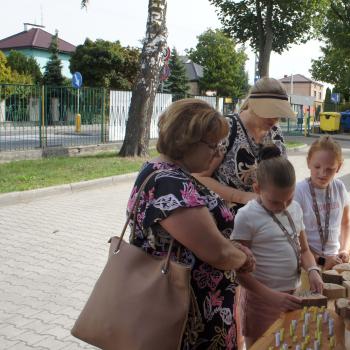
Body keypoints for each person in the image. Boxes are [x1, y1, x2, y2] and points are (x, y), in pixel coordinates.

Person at [127, 99, 256, 350]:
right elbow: (215, 252)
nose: (218, 152)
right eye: (213, 145)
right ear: (187, 142)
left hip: (183, 305)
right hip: (188, 317)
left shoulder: (159, 169)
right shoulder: (170, 183)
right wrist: (243, 260)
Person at [231, 145, 324, 347]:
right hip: (261, 301)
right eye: (275, 202)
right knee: (261, 345)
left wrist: (313, 270)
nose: (283, 207)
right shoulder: (246, 217)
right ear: (257, 189)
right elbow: (239, 272)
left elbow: (305, 250)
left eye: (288, 199)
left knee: (288, 342)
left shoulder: (295, 208)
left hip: (293, 294)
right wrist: (272, 297)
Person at [194, 77, 296, 212]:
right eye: (270, 111)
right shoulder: (226, 128)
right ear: (253, 104)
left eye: (279, 112)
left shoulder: (276, 133)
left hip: (265, 220)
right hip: (228, 222)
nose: (275, 118)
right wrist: (242, 197)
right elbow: (199, 177)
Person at [294, 135, 350, 270]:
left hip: (335, 261)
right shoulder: (299, 191)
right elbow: (293, 237)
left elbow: (346, 223)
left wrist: (344, 250)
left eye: (329, 169)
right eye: (317, 167)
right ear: (308, 162)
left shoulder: (339, 187)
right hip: (308, 265)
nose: (322, 173)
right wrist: (320, 260)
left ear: (338, 167)